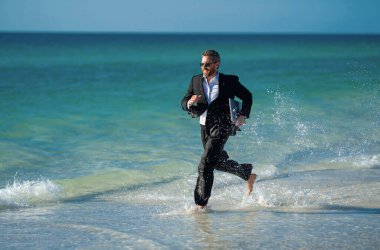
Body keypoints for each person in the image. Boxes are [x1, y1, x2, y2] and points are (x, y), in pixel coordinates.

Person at [181, 50, 257, 208]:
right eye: (202, 64)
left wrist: (243, 115)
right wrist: (190, 102)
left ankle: (200, 204)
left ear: (217, 64)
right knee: (216, 162)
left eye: (207, 64)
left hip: (222, 125)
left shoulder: (229, 81)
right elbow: (184, 100)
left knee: (205, 164)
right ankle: (247, 174)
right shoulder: (196, 80)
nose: (204, 67)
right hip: (204, 124)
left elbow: (247, 96)